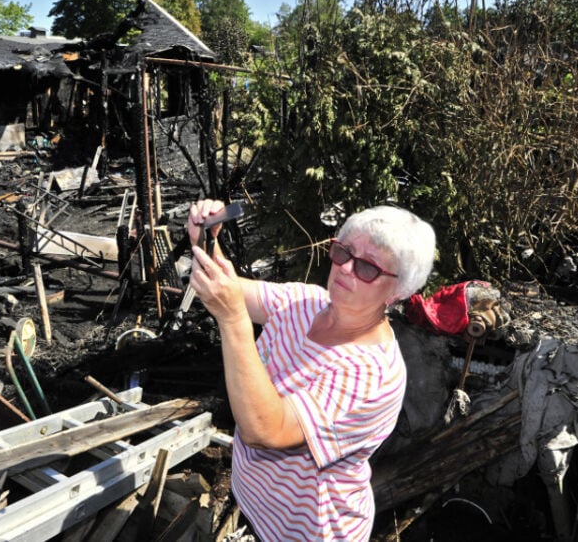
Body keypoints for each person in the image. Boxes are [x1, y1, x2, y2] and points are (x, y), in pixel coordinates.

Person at [187, 200, 436, 541]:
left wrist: (232, 321)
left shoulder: (371, 374)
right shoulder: (306, 302)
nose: (347, 269)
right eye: (343, 253)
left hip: (309, 532)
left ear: (396, 292)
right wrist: (204, 240)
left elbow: (267, 430)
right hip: (261, 511)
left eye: (368, 268)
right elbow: (229, 291)